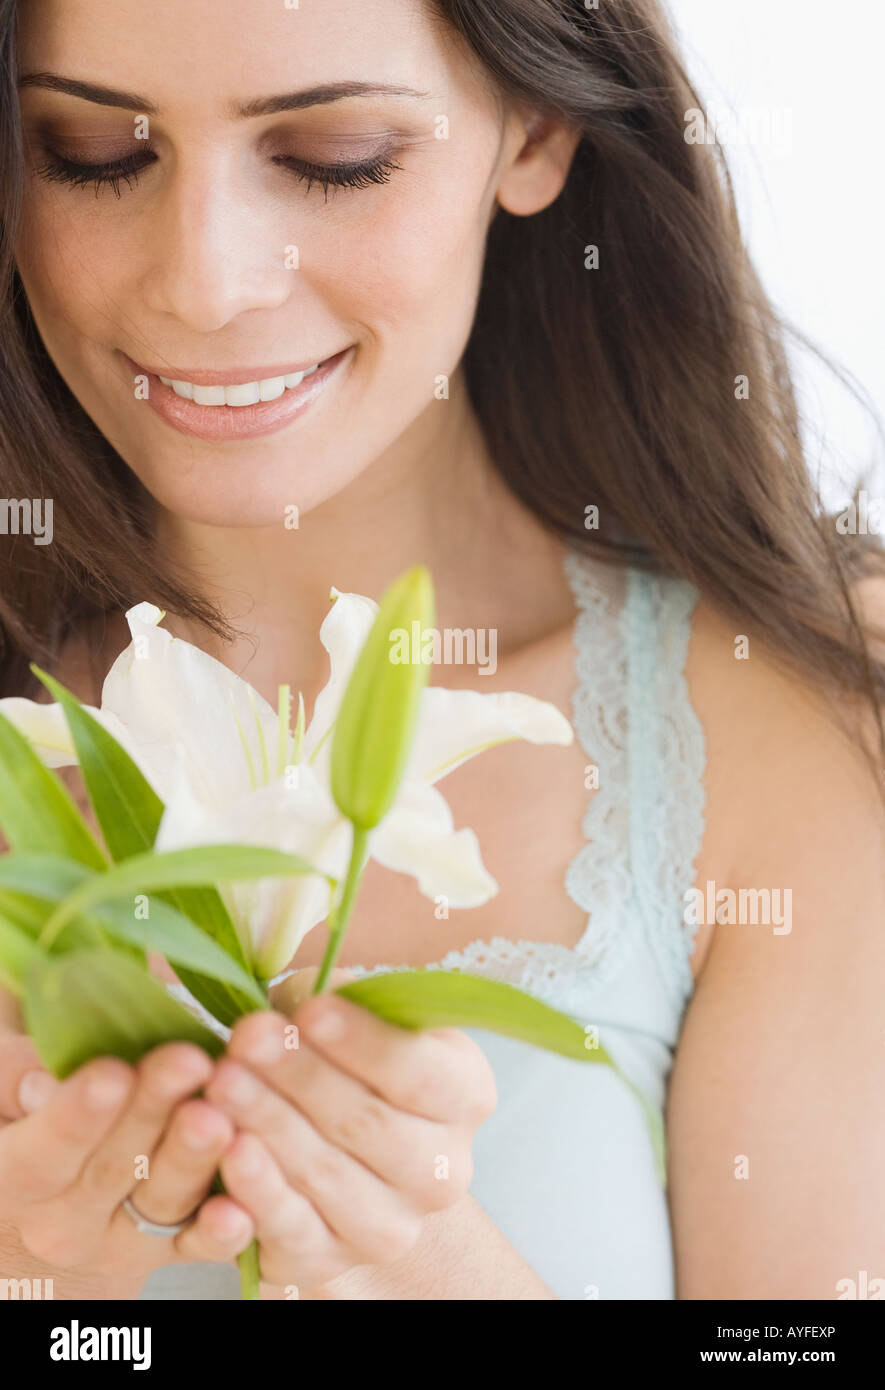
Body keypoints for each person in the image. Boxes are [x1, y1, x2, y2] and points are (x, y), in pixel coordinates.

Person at [0, 0, 883, 1300]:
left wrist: (431, 1267)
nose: (204, 278)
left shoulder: (782, 716)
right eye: (88, 149)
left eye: (335, 154)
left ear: (535, 127)